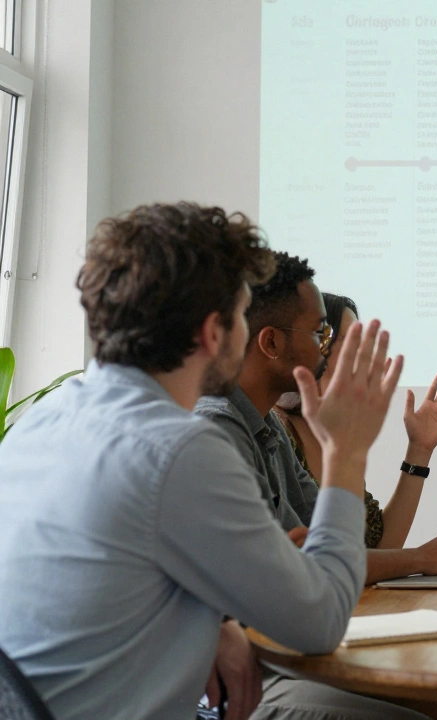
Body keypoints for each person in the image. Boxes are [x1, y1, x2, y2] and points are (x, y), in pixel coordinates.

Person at [0, 203, 399, 720]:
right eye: (240, 314)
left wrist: (214, 625)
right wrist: (347, 452)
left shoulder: (42, 421)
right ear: (215, 333)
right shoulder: (179, 449)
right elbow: (319, 621)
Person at [195, 254, 437, 720]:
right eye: (321, 335)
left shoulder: (262, 425)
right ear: (270, 343)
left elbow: (339, 552)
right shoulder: (218, 431)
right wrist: (418, 558)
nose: (328, 353)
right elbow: (312, 568)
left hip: (289, 640)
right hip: (254, 666)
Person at [273, 293, 437, 551]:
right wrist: (423, 558)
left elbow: (380, 544)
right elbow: (327, 557)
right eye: (349, 340)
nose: (363, 354)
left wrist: (420, 450)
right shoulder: (278, 431)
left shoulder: (338, 434)